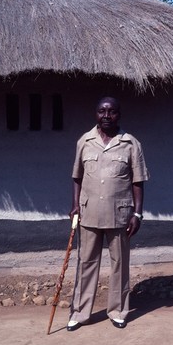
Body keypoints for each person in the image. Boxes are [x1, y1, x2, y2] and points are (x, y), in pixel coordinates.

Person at [67, 96, 149, 331]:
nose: (106, 116)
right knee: (86, 263)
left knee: (119, 264)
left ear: (118, 115)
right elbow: (77, 177)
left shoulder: (131, 144)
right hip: (88, 213)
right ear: (96, 114)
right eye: (101, 111)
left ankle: (118, 310)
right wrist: (75, 204)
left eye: (111, 112)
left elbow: (138, 181)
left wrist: (138, 214)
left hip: (120, 215)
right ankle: (80, 313)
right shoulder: (85, 141)